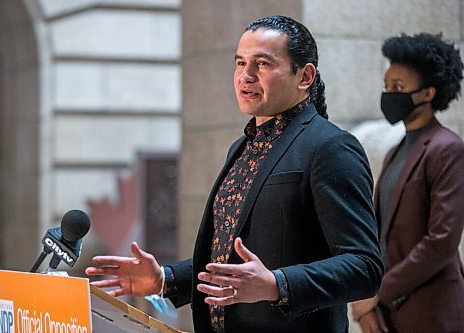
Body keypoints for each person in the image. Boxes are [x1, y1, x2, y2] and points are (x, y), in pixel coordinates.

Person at [86, 15, 383, 333]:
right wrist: (167, 280)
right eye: (240, 63)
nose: (246, 76)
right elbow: (228, 253)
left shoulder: (331, 147)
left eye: (263, 64)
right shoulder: (241, 147)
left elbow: (364, 267)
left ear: (305, 76)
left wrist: (277, 284)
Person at [351, 33, 464, 333]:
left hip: (433, 313)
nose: (389, 94)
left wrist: (379, 292)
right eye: (387, 86)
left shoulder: (447, 148)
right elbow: (377, 232)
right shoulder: (394, 152)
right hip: (389, 314)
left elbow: (442, 241)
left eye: (398, 87)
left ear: (428, 93)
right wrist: (365, 298)